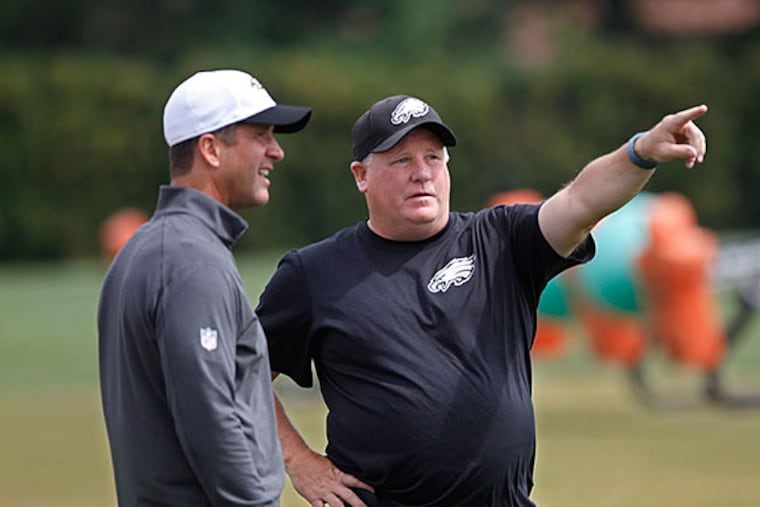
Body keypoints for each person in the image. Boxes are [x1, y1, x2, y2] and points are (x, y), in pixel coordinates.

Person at [256, 94, 707, 507]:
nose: (422, 172)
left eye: (434, 157)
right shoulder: (313, 274)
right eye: (401, 160)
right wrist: (299, 462)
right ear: (362, 176)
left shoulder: (501, 240)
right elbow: (241, 371)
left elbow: (581, 201)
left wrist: (640, 152)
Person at [97, 69, 311, 506]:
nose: (277, 151)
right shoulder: (191, 258)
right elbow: (209, 416)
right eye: (262, 134)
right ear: (211, 149)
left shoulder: (147, 248)